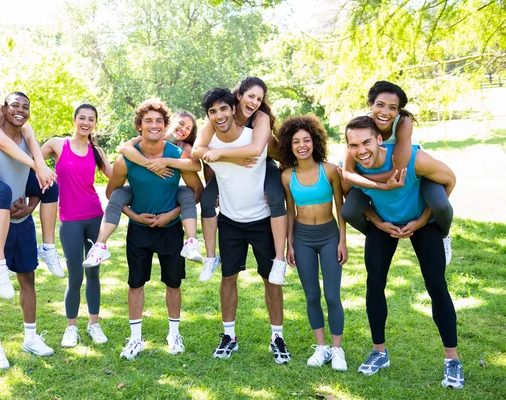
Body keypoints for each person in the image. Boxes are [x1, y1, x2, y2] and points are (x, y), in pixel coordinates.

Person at [343, 116, 463, 389]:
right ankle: (379, 351)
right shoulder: (351, 169)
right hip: (384, 223)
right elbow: (351, 200)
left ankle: (452, 359)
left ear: (380, 139)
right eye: (353, 145)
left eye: (366, 142)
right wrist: (377, 222)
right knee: (374, 284)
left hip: (424, 222)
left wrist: (422, 220)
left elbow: (448, 180)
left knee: (436, 286)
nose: (361, 150)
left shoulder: (412, 158)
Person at [193, 88, 290, 364]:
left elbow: (279, 156)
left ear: (233, 108)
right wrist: (219, 155)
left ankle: (277, 336)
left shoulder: (254, 138)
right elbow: (198, 153)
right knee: (228, 279)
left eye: (223, 109)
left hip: (262, 221)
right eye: (213, 112)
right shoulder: (209, 146)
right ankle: (229, 336)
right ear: (209, 117)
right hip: (230, 222)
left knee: (271, 279)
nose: (219, 115)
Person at [106, 99, 203, 360]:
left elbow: (196, 190)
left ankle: (174, 335)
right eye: (148, 120)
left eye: (159, 121)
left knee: (173, 283)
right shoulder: (127, 158)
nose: (154, 125)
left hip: (171, 229)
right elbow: (112, 192)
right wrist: (132, 214)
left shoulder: (176, 154)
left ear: (165, 125)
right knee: (136, 283)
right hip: (139, 230)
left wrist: (173, 213)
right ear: (139, 125)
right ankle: (135, 340)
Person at [0, 92, 54, 370]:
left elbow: (40, 182)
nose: (20, 110)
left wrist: (29, 208)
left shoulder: (29, 144)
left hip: (23, 222)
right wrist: (0, 208)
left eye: (25, 107)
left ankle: (30, 338)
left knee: (28, 279)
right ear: (3, 109)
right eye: (14, 105)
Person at [0, 67, 63, 298]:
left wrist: (42, 167)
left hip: (3, 172)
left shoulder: (8, 109)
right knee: (3, 194)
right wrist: (37, 166)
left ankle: (48, 247)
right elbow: (5, 143)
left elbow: (30, 138)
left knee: (51, 186)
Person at [340, 81, 454, 264]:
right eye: (380, 105)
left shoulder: (403, 122)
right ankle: (378, 234)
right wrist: (379, 187)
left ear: (399, 111)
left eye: (392, 107)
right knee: (350, 210)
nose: (385, 112)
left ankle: (444, 236)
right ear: (370, 106)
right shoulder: (360, 127)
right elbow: (346, 173)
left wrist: (361, 178)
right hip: (378, 166)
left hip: (412, 168)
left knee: (441, 205)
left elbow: (397, 172)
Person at [193, 77, 287, 284]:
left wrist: (219, 154)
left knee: (274, 196)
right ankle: (210, 256)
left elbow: (255, 150)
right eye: (250, 96)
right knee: (208, 200)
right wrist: (228, 158)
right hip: (230, 167)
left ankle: (279, 260)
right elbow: (197, 149)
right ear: (238, 96)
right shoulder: (223, 114)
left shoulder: (260, 117)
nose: (254, 102)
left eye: (259, 99)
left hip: (265, 163)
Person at [83, 111, 203, 268]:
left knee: (186, 193)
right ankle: (100, 245)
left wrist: (166, 161)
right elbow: (125, 148)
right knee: (118, 195)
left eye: (188, 128)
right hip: (136, 193)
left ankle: (192, 242)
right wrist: (151, 165)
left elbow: (196, 165)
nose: (183, 129)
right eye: (181, 124)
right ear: (171, 123)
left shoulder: (184, 148)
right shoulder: (150, 135)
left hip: (171, 197)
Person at [279, 115, 348, 371]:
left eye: (306, 140)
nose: (302, 145)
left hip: (330, 236)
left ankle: (337, 349)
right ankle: (321, 348)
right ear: (290, 145)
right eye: (296, 141)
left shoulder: (329, 170)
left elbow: (341, 208)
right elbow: (289, 211)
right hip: (303, 238)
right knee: (311, 295)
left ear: (315, 141)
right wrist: (290, 244)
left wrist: (343, 241)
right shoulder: (287, 176)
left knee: (332, 295)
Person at [41, 104, 113, 348]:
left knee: (93, 273)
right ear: (74, 119)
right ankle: (71, 328)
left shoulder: (96, 151)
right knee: (75, 275)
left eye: (91, 119)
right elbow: (31, 163)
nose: (86, 122)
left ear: (95, 123)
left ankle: (94, 324)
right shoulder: (56, 145)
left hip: (95, 217)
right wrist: (44, 177)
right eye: (82, 117)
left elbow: (116, 176)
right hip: (70, 220)